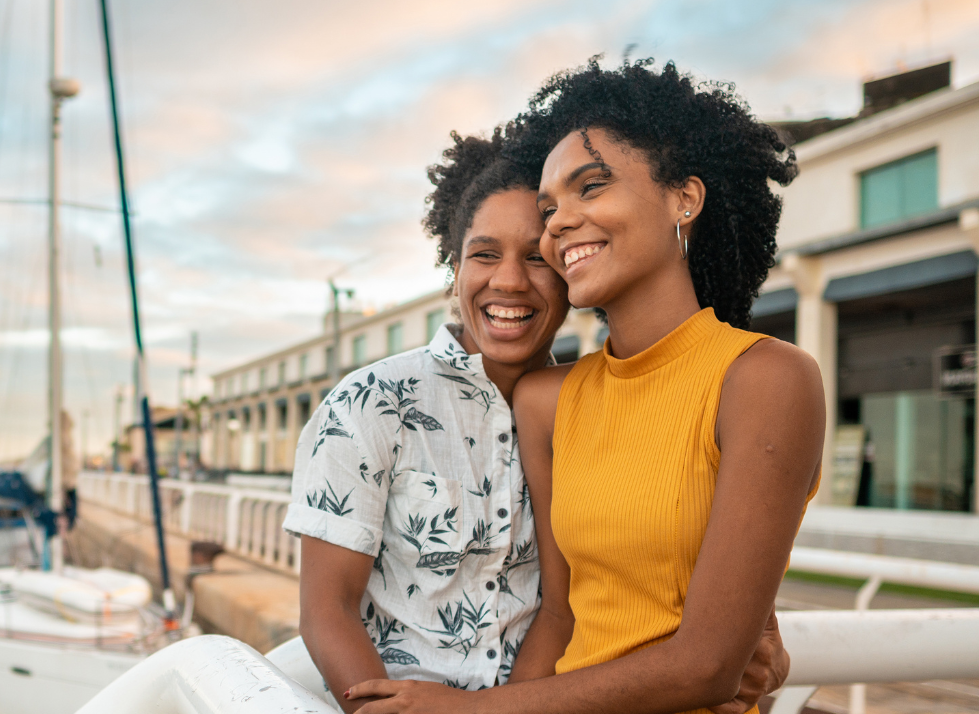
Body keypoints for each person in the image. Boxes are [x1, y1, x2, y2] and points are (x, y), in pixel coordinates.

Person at [344, 59, 821, 714]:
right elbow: (561, 618)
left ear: (684, 198)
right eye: (549, 207)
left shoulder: (766, 380)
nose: (559, 222)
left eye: (590, 187)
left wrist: (469, 712)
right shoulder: (547, 401)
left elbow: (708, 667)